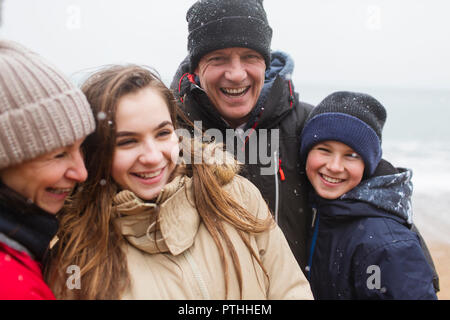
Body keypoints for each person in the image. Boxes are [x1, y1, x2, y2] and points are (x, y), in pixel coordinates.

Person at [47, 65, 313, 300]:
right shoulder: (74, 255)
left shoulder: (236, 197)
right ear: (95, 150)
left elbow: (290, 289)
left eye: (162, 133)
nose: (152, 157)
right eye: (127, 141)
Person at [170, 0, 313, 272]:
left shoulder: (309, 126)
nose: (236, 74)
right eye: (218, 59)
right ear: (196, 68)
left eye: (250, 57)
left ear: (265, 63)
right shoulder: (169, 132)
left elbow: (367, 195)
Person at [299, 91, 438, 299]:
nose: (335, 166)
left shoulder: (386, 244)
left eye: (351, 155)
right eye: (324, 150)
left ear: (368, 165)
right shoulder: (321, 210)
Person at [0, 40, 95, 299]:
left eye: (81, 149)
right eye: (58, 154)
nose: (81, 173)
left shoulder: (23, 252)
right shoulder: (12, 286)